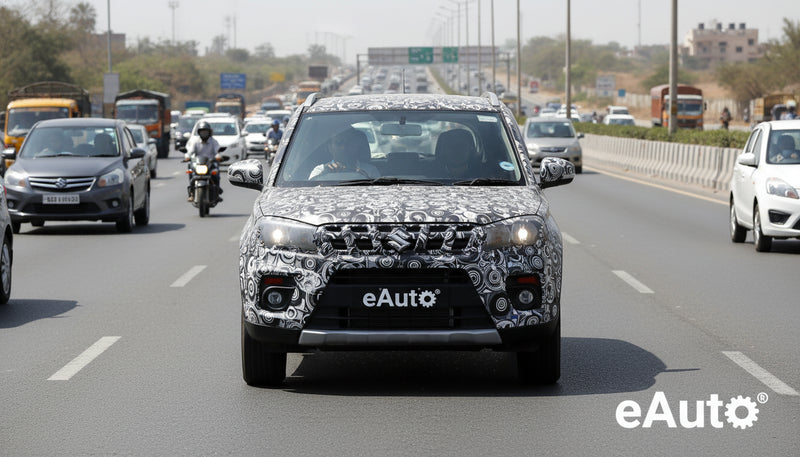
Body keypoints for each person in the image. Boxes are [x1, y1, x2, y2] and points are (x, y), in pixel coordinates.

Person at [308, 128, 379, 179]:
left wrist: (363, 177)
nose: (344, 147)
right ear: (330, 148)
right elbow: (309, 190)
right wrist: (324, 175)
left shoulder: (370, 171)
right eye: (338, 143)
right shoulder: (320, 170)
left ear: (356, 146)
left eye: (349, 143)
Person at [185, 121, 222, 201]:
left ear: (209, 132)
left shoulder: (213, 141)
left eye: (205, 132)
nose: (204, 134)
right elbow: (190, 151)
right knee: (191, 172)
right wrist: (188, 157)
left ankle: (217, 192)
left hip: (210, 163)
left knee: (216, 174)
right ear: (199, 133)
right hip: (199, 164)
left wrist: (218, 156)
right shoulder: (195, 142)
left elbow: (217, 151)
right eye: (202, 132)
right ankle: (191, 193)